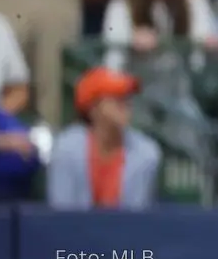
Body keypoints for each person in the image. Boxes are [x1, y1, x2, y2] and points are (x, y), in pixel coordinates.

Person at [47, 67, 161, 210]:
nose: (125, 104)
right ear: (93, 107)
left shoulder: (146, 152)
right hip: (75, 231)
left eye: (126, 98)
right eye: (116, 98)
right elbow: (61, 216)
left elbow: (137, 219)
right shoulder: (66, 149)